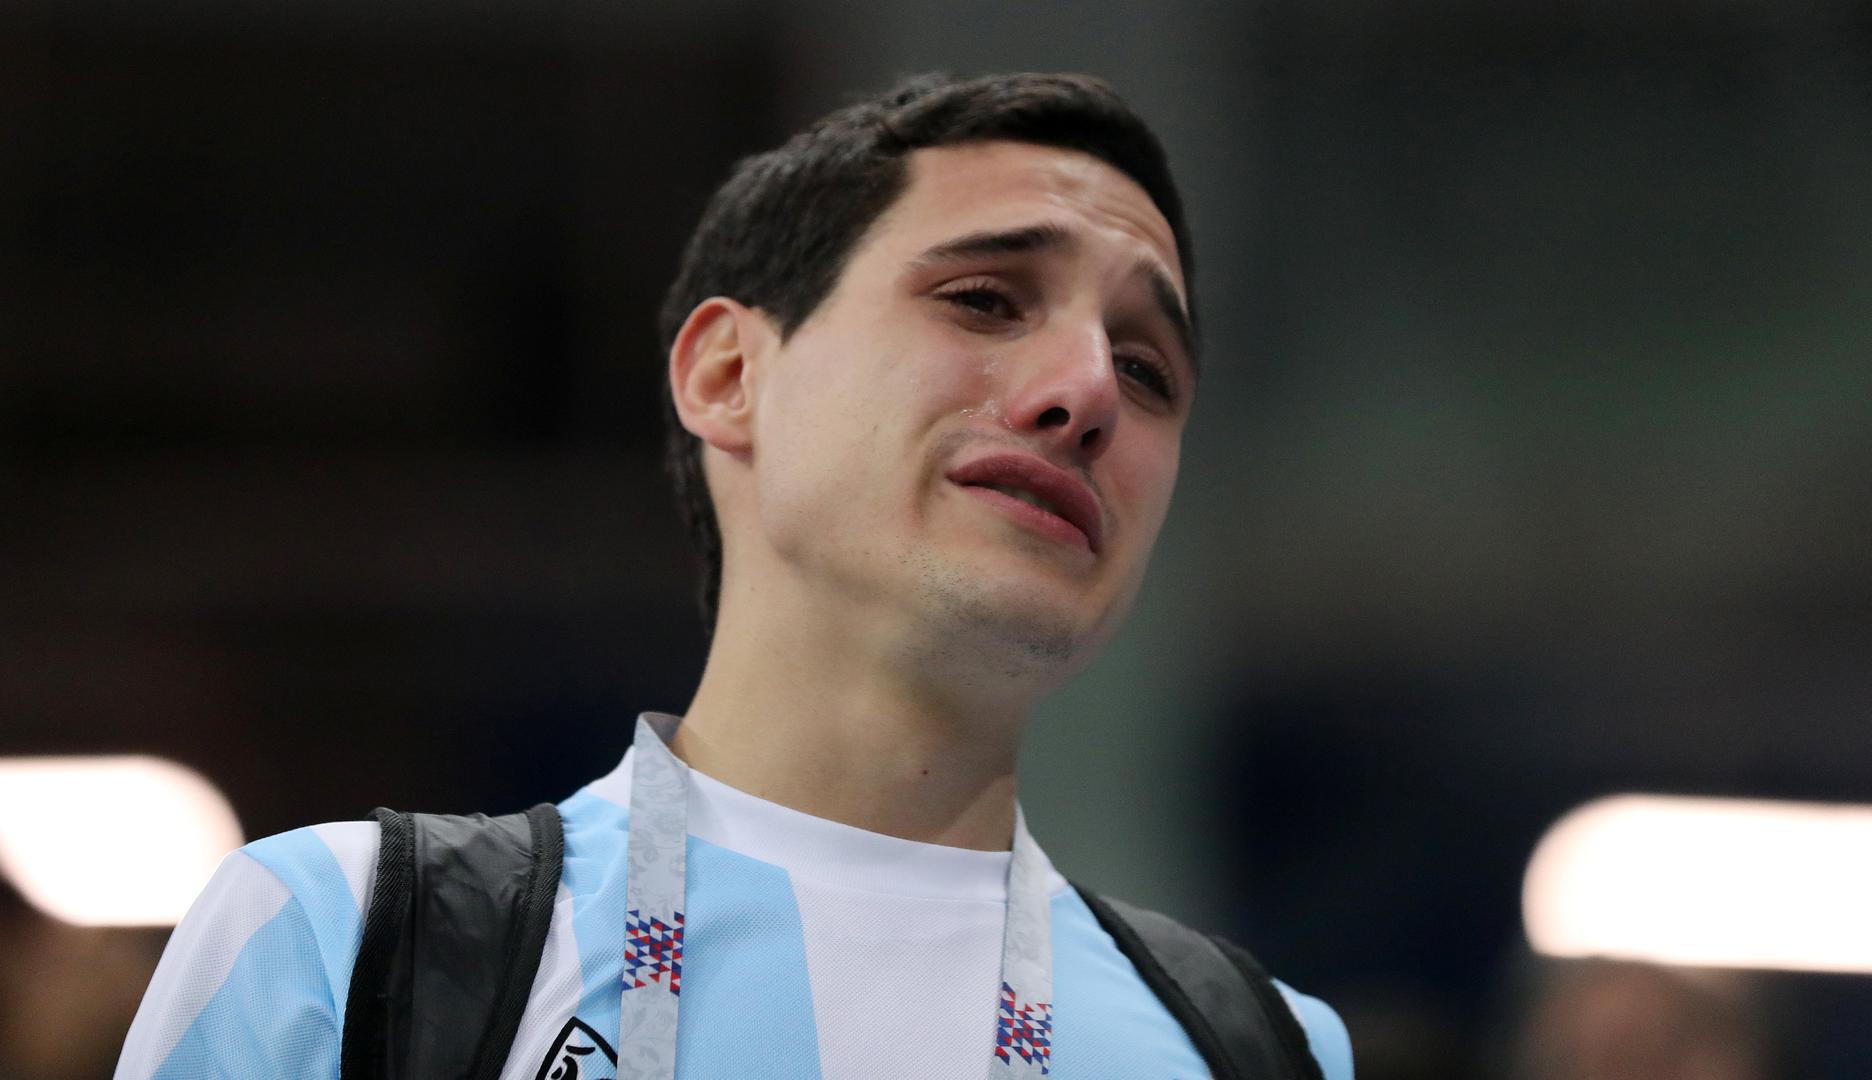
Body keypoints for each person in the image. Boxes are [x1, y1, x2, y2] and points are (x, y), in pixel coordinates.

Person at [116, 71, 1355, 1079]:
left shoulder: (1267, 1052)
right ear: (727, 376)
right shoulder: (344, 942)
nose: (1087, 391)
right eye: (985, 299)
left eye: (1146, 370)